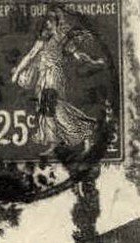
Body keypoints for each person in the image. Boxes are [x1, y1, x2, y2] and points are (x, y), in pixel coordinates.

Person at [10, 7, 106, 156]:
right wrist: (17, 72)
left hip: (54, 76)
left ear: (56, 22)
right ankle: (55, 141)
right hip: (43, 77)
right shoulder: (43, 38)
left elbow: (78, 55)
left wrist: (94, 62)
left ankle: (87, 129)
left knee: (54, 107)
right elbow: (30, 56)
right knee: (46, 110)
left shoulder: (62, 39)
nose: (47, 24)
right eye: (46, 21)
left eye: (50, 21)